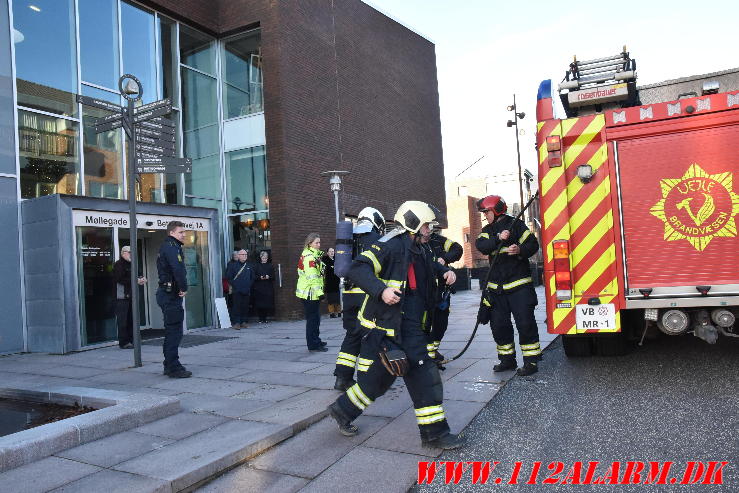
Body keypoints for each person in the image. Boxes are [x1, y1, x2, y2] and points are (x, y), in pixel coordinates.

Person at [327, 201, 465, 449]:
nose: (429, 231)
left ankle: (343, 410)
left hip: (408, 324)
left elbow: (427, 265)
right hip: (392, 325)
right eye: (426, 226)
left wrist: (445, 271)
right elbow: (357, 268)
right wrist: (381, 291)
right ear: (413, 224)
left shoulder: (418, 248)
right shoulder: (389, 244)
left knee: (379, 379)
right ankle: (435, 434)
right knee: (424, 375)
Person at [475, 195, 541, 376]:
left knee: (525, 324)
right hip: (497, 289)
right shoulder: (488, 230)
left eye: (486, 211)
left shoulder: (517, 225)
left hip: (519, 287)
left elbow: (533, 244)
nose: (484, 215)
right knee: (499, 326)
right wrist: (497, 238)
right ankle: (507, 360)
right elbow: (481, 245)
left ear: (495, 210)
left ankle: (531, 361)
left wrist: (520, 250)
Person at [333, 206, 385, 392]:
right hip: (367, 294)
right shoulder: (378, 239)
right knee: (371, 337)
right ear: (376, 221)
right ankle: (368, 380)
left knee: (352, 335)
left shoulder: (349, 239)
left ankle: (342, 378)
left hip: (348, 295)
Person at [156, 220, 192, 378]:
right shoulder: (171, 248)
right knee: (174, 332)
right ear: (171, 233)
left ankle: (169, 364)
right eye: (180, 232)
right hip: (170, 295)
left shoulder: (171, 246)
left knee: (172, 331)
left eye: (184, 232)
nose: (184, 234)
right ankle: (173, 367)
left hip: (168, 293)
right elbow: (178, 270)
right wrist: (184, 288)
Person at [426, 229, 463, 367]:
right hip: (424, 292)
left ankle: (433, 351)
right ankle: (426, 355)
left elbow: (457, 249)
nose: (427, 230)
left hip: (441, 292)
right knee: (426, 324)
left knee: (441, 323)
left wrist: (445, 258)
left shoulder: (438, 241)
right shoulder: (416, 243)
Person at [296, 233, 327, 352]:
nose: (319, 245)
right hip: (310, 293)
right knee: (313, 320)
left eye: (319, 242)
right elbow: (312, 277)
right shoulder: (310, 257)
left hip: (310, 292)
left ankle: (316, 340)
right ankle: (313, 344)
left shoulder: (312, 255)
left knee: (315, 319)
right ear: (310, 243)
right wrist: (320, 293)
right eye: (316, 243)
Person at [112, 245, 147, 349]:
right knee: (123, 321)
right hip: (121, 297)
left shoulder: (133, 264)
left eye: (132, 253)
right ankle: (124, 342)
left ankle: (133, 340)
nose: (132, 254)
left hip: (133, 296)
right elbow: (119, 279)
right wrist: (135, 280)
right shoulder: (118, 265)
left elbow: (139, 275)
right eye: (129, 252)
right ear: (123, 253)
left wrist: (142, 279)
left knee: (132, 319)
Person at [226, 249, 255, 329]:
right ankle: (236, 323)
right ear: (238, 256)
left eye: (246, 255)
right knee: (236, 306)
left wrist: (248, 285)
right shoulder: (232, 266)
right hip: (237, 290)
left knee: (245, 306)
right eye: (243, 254)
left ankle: (243, 321)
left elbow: (252, 277)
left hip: (246, 290)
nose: (244, 256)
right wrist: (236, 285)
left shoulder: (249, 266)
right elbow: (229, 278)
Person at [253, 250, 275, 323]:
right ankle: (260, 318)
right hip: (259, 287)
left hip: (267, 287)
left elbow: (273, 276)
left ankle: (265, 318)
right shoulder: (256, 266)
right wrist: (260, 277)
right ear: (260, 257)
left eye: (266, 257)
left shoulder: (270, 265)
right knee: (259, 303)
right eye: (263, 257)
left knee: (266, 303)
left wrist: (269, 277)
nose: (265, 259)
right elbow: (253, 276)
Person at [323, 247, 341, 318]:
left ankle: (339, 312)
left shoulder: (337, 260)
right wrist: (332, 267)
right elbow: (328, 268)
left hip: (337, 281)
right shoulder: (325, 260)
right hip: (329, 282)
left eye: (333, 251)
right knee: (331, 298)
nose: (332, 252)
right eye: (330, 251)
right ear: (327, 253)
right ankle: (332, 313)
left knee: (337, 298)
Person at [224, 250, 239, 317]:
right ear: (233, 256)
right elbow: (228, 275)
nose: (236, 256)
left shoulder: (242, 263)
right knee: (232, 302)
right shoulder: (230, 264)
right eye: (235, 255)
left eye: (237, 255)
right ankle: (233, 318)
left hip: (240, 286)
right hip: (232, 286)